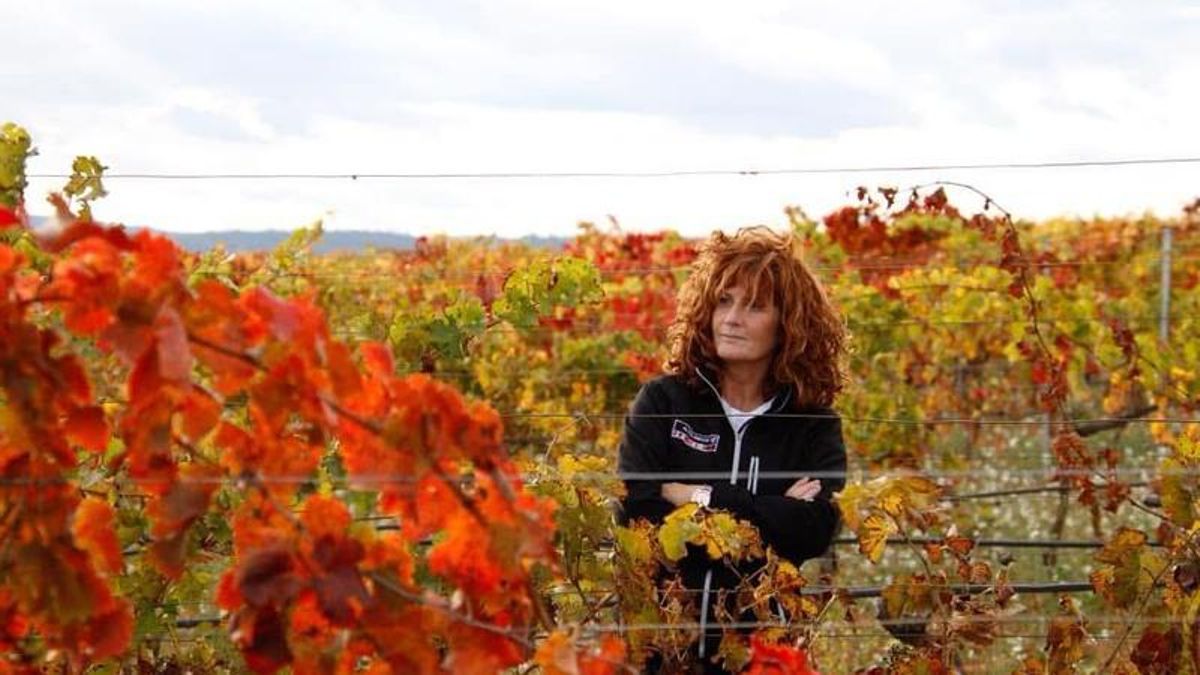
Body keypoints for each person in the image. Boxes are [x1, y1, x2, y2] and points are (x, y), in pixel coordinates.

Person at [617, 226, 848, 673]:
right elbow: (637, 515)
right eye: (724, 300)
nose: (732, 318)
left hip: (767, 655)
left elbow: (814, 531)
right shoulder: (663, 403)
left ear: (789, 324)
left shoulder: (812, 425)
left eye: (755, 305)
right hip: (665, 652)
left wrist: (698, 497)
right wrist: (772, 512)